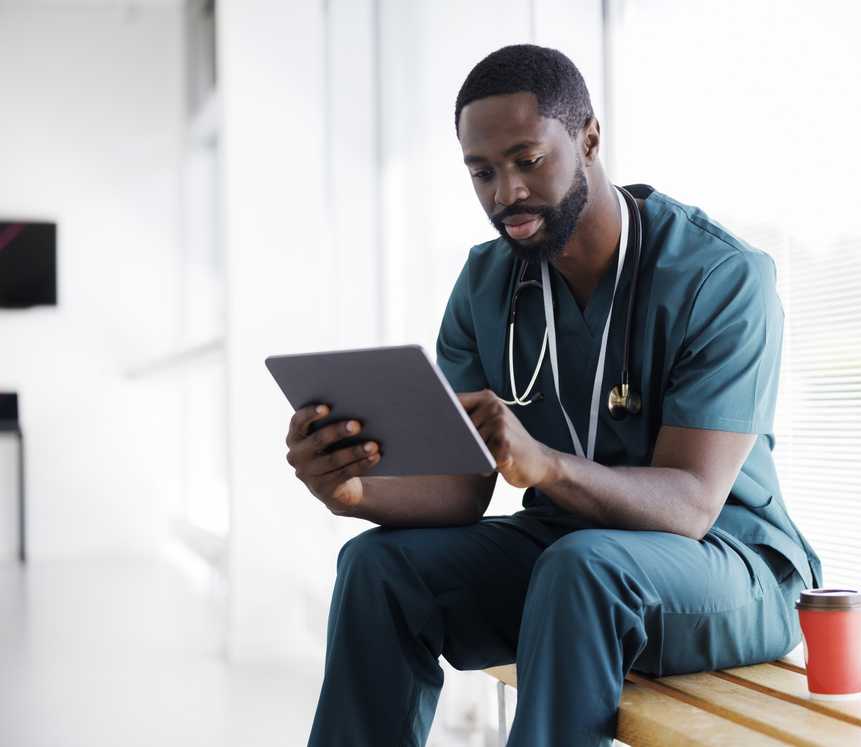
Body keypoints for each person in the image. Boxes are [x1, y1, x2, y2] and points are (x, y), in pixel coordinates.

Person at [292, 44, 822, 747]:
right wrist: (353, 491)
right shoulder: (486, 284)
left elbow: (693, 503)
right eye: (481, 171)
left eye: (527, 160)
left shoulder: (717, 277)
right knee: (376, 565)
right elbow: (462, 489)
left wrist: (544, 466)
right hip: (568, 559)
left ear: (589, 138)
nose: (503, 192)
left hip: (732, 565)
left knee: (583, 568)